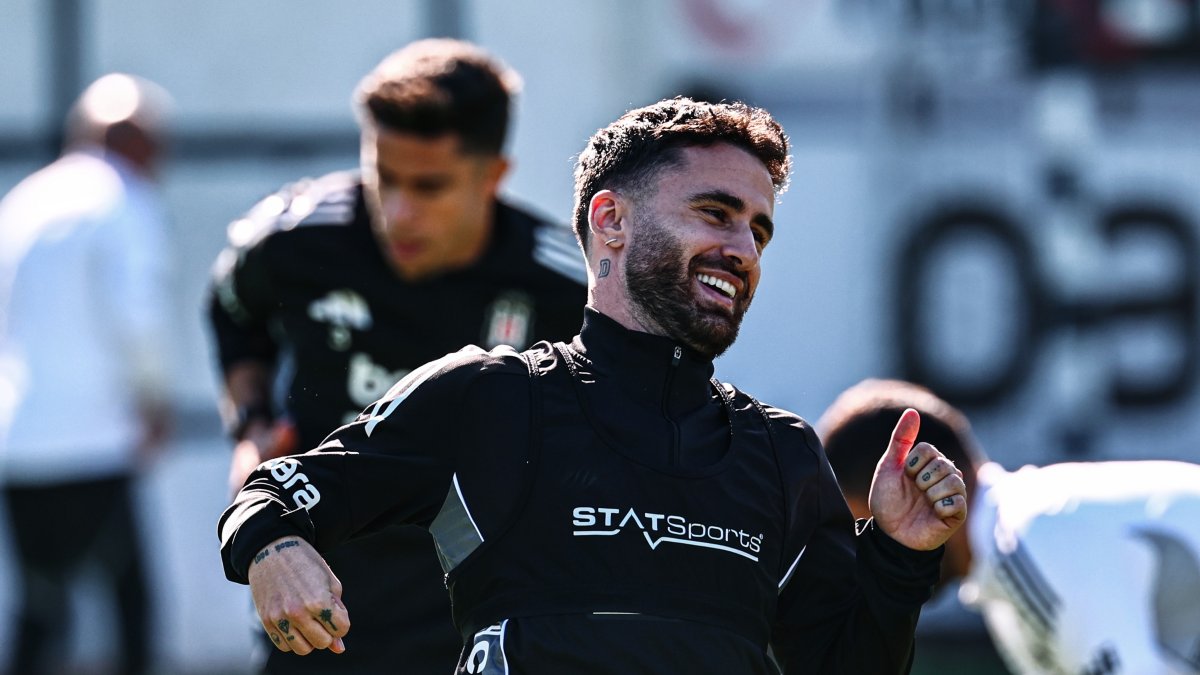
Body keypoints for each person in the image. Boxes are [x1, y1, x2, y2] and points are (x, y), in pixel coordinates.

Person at [218, 96, 968, 674]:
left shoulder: (782, 452)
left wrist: (901, 555)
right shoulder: (490, 395)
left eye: (758, 231)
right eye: (715, 213)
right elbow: (275, 493)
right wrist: (272, 546)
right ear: (610, 220)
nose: (741, 249)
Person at [205, 38, 588, 673]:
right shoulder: (293, 240)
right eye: (384, 178)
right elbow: (232, 313)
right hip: (319, 587)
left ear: (493, 175)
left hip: (470, 608)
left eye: (430, 187)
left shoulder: (559, 288)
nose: (399, 213)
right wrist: (250, 427)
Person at [818, 378, 1200, 675]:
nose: (861, 561)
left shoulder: (1032, 538)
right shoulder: (1010, 568)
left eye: (866, 530)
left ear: (914, 488)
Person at [0, 73, 173, 675]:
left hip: (22, 440)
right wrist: (154, 400)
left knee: (42, 608)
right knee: (132, 604)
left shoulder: (25, 199)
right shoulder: (121, 200)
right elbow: (139, 317)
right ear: (136, 142)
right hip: (96, 439)